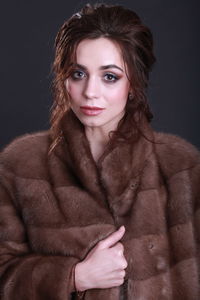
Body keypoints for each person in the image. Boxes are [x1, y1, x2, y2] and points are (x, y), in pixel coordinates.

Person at [0, 3, 199, 300]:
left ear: (133, 84)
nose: (90, 91)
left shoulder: (180, 166)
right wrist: (74, 277)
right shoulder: (21, 165)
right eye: (78, 74)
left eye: (110, 76)